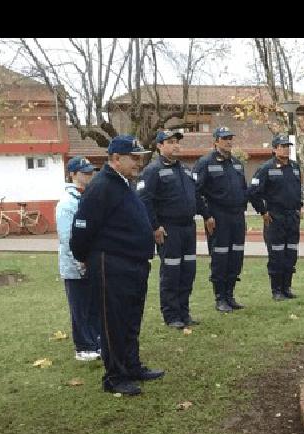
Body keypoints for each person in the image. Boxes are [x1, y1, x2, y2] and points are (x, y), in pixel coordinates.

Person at [70, 135, 164, 396]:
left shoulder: (123, 184)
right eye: (133, 158)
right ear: (115, 159)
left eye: (139, 157)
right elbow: (82, 229)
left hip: (132, 263)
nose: (138, 162)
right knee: (114, 321)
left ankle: (132, 366)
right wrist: (84, 257)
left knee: (131, 318)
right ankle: (115, 376)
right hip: (111, 263)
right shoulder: (102, 186)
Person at [137, 129, 212, 329]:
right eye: (170, 142)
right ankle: (171, 316)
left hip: (188, 228)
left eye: (176, 142)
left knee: (188, 271)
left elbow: (196, 196)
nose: (175, 145)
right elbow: (144, 200)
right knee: (171, 272)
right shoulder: (153, 171)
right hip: (168, 229)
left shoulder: (185, 170)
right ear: (160, 146)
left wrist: (206, 215)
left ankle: (184, 312)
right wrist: (155, 227)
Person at [192, 127, 248, 313]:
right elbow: (196, 192)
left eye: (230, 138)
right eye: (224, 139)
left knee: (236, 256)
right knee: (220, 257)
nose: (229, 142)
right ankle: (220, 297)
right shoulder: (205, 163)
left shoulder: (237, 163)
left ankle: (230, 295)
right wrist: (207, 215)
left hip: (237, 216)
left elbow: (243, 189)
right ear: (215, 141)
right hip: (218, 217)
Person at [249, 134, 303, 301]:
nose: (286, 148)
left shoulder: (294, 167)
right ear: (274, 149)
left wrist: (299, 207)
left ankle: (287, 287)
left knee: (291, 254)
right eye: (282, 146)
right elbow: (253, 192)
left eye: (288, 146)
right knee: (277, 255)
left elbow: (297, 190)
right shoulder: (266, 168)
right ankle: (277, 290)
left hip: (292, 218)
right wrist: (263, 212)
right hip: (275, 218)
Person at [56, 156, 101, 361]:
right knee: (80, 307)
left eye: (91, 173)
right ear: (73, 174)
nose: (89, 176)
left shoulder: (88, 197)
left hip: (90, 260)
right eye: (84, 173)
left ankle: (95, 341)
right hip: (75, 264)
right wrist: (79, 261)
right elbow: (67, 238)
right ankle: (83, 346)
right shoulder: (67, 203)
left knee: (93, 305)